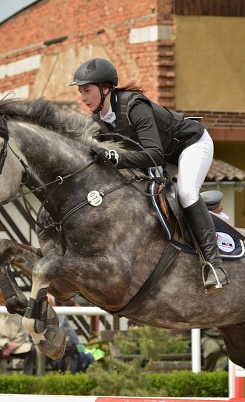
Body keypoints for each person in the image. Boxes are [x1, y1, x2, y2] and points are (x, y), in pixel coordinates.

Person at [71, 57, 228, 293]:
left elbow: (153, 155)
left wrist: (117, 159)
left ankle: (214, 265)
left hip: (190, 146)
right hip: (164, 157)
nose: (82, 97)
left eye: (87, 91)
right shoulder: (99, 120)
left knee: (186, 194)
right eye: (81, 91)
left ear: (105, 88)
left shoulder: (135, 105)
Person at [0, 290, 36, 375]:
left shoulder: (19, 313)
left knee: (31, 350)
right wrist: (5, 344)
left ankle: (28, 378)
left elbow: (22, 333)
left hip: (16, 346)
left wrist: (12, 346)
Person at [46, 293, 95, 374]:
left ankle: (86, 361)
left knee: (77, 347)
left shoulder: (60, 298)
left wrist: (85, 312)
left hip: (66, 332)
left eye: (48, 304)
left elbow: (72, 303)